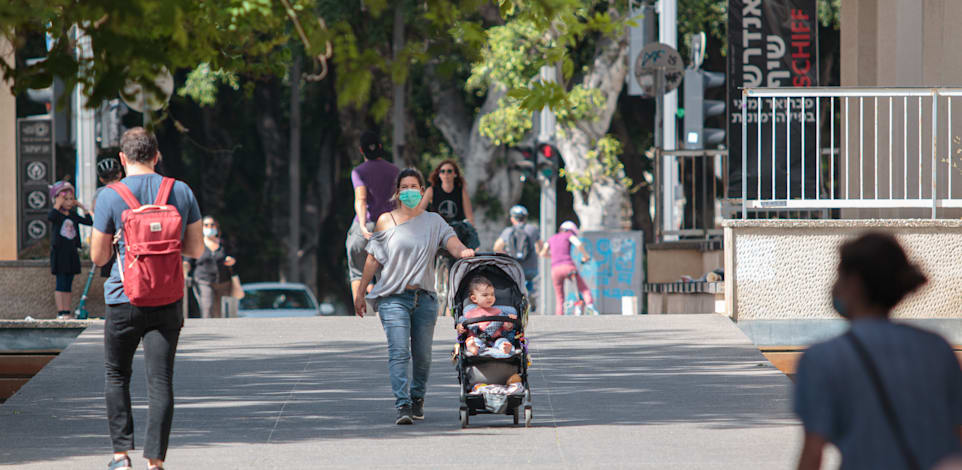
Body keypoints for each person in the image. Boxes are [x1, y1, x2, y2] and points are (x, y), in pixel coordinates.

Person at [794, 232, 962, 470]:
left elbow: (813, 453)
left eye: (839, 276)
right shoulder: (938, 349)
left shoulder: (821, 358)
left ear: (854, 283)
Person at [90, 127, 204, 470]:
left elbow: (98, 257)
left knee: (116, 375)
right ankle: (155, 461)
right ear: (157, 156)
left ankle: (121, 456)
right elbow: (196, 249)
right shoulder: (180, 191)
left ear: (122, 159)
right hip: (167, 299)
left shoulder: (110, 196)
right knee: (161, 380)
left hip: (122, 298)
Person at [354, 167, 475, 425]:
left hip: (425, 299)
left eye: (413, 187)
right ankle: (403, 404)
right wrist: (361, 292)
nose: (409, 191)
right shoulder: (386, 220)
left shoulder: (434, 221)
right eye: (404, 187)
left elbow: (452, 242)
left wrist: (463, 251)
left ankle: (417, 397)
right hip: (393, 298)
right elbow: (373, 258)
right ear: (397, 193)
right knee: (399, 352)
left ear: (422, 191)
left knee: (423, 357)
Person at [347, 130, 400, 302]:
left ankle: (360, 310)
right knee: (385, 274)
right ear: (380, 147)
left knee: (358, 272)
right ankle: (382, 311)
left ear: (361, 150)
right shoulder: (395, 171)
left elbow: (361, 199)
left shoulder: (358, 171)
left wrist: (362, 226)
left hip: (367, 226)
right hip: (389, 228)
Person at [48, 181, 93, 319]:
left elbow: (89, 221)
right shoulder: (57, 215)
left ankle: (67, 311)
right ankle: (61, 312)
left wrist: (82, 207)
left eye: (70, 199)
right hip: (59, 254)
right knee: (60, 283)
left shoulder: (73, 215)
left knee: (68, 284)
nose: (68, 202)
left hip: (71, 254)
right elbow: (51, 217)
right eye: (65, 199)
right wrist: (57, 203)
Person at [184, 216, 237, 318]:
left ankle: (220, 328)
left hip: (224, 282)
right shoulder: (197, 243)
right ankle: (207, 327)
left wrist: (231, 260)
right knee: (207, 308)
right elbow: (187, 261)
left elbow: (233, 257)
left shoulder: (223, 244)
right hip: (203, 281)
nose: (209, 227)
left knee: (220, 312)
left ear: (216, 227)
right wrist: (185, 270)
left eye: (212, 225)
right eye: (206, 225)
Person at [539, 220, 594, 316]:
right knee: (584, 289)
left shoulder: (552, 238)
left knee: (560, 297)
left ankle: (559, 317)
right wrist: (585, 256)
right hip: (568, 266)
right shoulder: (569, 235)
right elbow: (578, 244)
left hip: (555, 270)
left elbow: (543, 253)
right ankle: (590, 307)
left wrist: (553, 256)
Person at [422, 159, 480, 249]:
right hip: (438, 229)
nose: (446, 174)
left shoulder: (461, 191)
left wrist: (472, 231)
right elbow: (420, 211)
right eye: (442, 171)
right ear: (439, 175)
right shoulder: (431, 190)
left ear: (455, 174)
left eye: (449, 171)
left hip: (457, 231)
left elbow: (469, 217)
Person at [456, 276, 517, 356]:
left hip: (496, 339)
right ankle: (474, 347)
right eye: (485, 295)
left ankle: (504, 347)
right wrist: (460, 327)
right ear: (474, 298)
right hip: (477, 337)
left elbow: (506, 328)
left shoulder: (498, 312)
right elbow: (464, 326)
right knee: (473, 341)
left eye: (492, 294)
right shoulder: (469, 314)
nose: (490, 297)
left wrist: (509, 322)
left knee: (502, 341)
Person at [493, 205, 543, 291]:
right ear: (525, 218)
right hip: (531, 267)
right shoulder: (533, 229)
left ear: (512, 219)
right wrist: (537, 254)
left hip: (514, 266)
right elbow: (540, 246)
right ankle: (529, 296)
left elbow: (497, 247)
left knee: (514, 286)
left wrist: (505, 254)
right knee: (530, 286)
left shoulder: (508, 231)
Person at [92, 158, 125, 278]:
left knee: (110, 274)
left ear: (101, 179)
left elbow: (96, 213)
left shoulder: (100, 193)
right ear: (120, 174)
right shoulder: (127, 189)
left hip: (107, 237)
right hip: (125, 236)